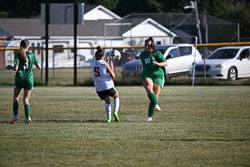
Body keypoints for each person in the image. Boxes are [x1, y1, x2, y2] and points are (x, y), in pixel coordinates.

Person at [6, 39, 40, 125]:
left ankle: (15, 116)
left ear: (20, 46)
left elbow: (16, 68)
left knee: (16, 98)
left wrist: (10, 67)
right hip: (29, 80)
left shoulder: (18, 55)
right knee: (26, 100)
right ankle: (27, 117)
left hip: (19, 79)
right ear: (28, 46)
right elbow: (39, 67)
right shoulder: (32, 55)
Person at [140, 37, 168, 122]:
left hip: (158, 75)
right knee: (149, 88)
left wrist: (158, 64)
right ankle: (156, 104)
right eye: (145, 45)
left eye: (148, 45)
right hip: (147, 75)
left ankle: (149, 118)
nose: (147, 47)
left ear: (152, 45)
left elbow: (166, 63)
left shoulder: (157, 53)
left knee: (155, 96)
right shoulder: (142, 55)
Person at [90, 46, 120, 123]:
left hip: (99, 88)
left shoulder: (92, 64)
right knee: (116, 96)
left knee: (107, 101)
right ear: (103, 56)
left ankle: (109, 118)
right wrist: (111, 66)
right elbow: (113, 76)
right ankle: (116, 112)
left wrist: (105, 63)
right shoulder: (105, 64)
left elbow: (100, 67)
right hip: (108, 85)